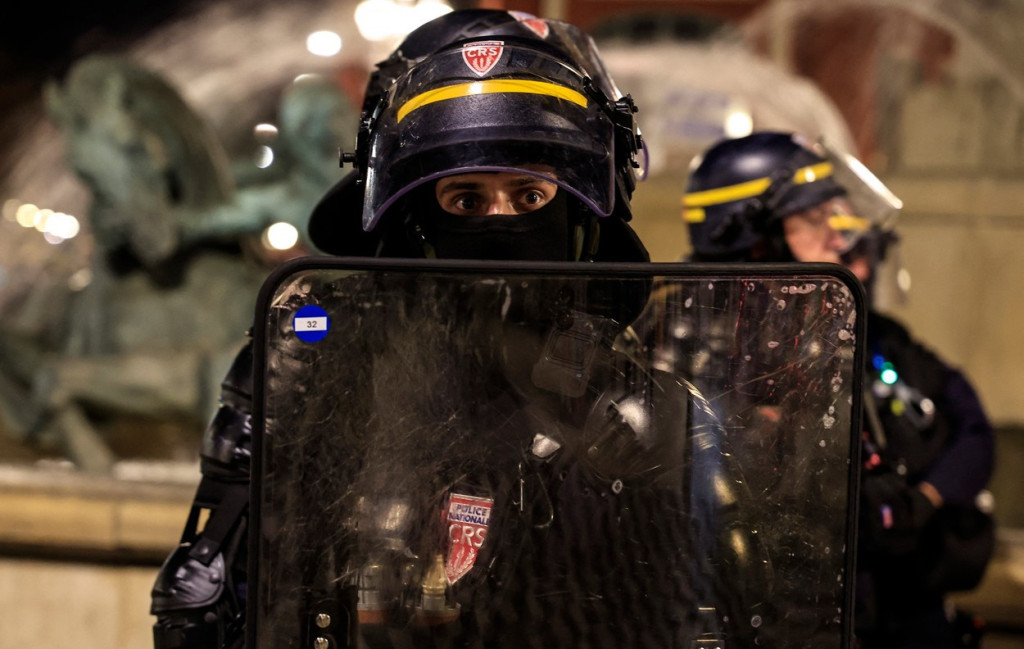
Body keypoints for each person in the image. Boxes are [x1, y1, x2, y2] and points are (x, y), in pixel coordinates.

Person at [150, 10, 654, 649]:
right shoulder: (317, 353)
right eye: (465, 199)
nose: (498, 222)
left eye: (530, 195)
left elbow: (695, 604)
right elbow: (206, 589)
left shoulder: (634, 395)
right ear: (412, 212)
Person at [679, 130, 996, 649]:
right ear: (753, 238)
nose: (839, 237)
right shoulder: (700, 357)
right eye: (814, 218)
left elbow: (972, 426)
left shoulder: (847, 334)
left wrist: (919, 500)